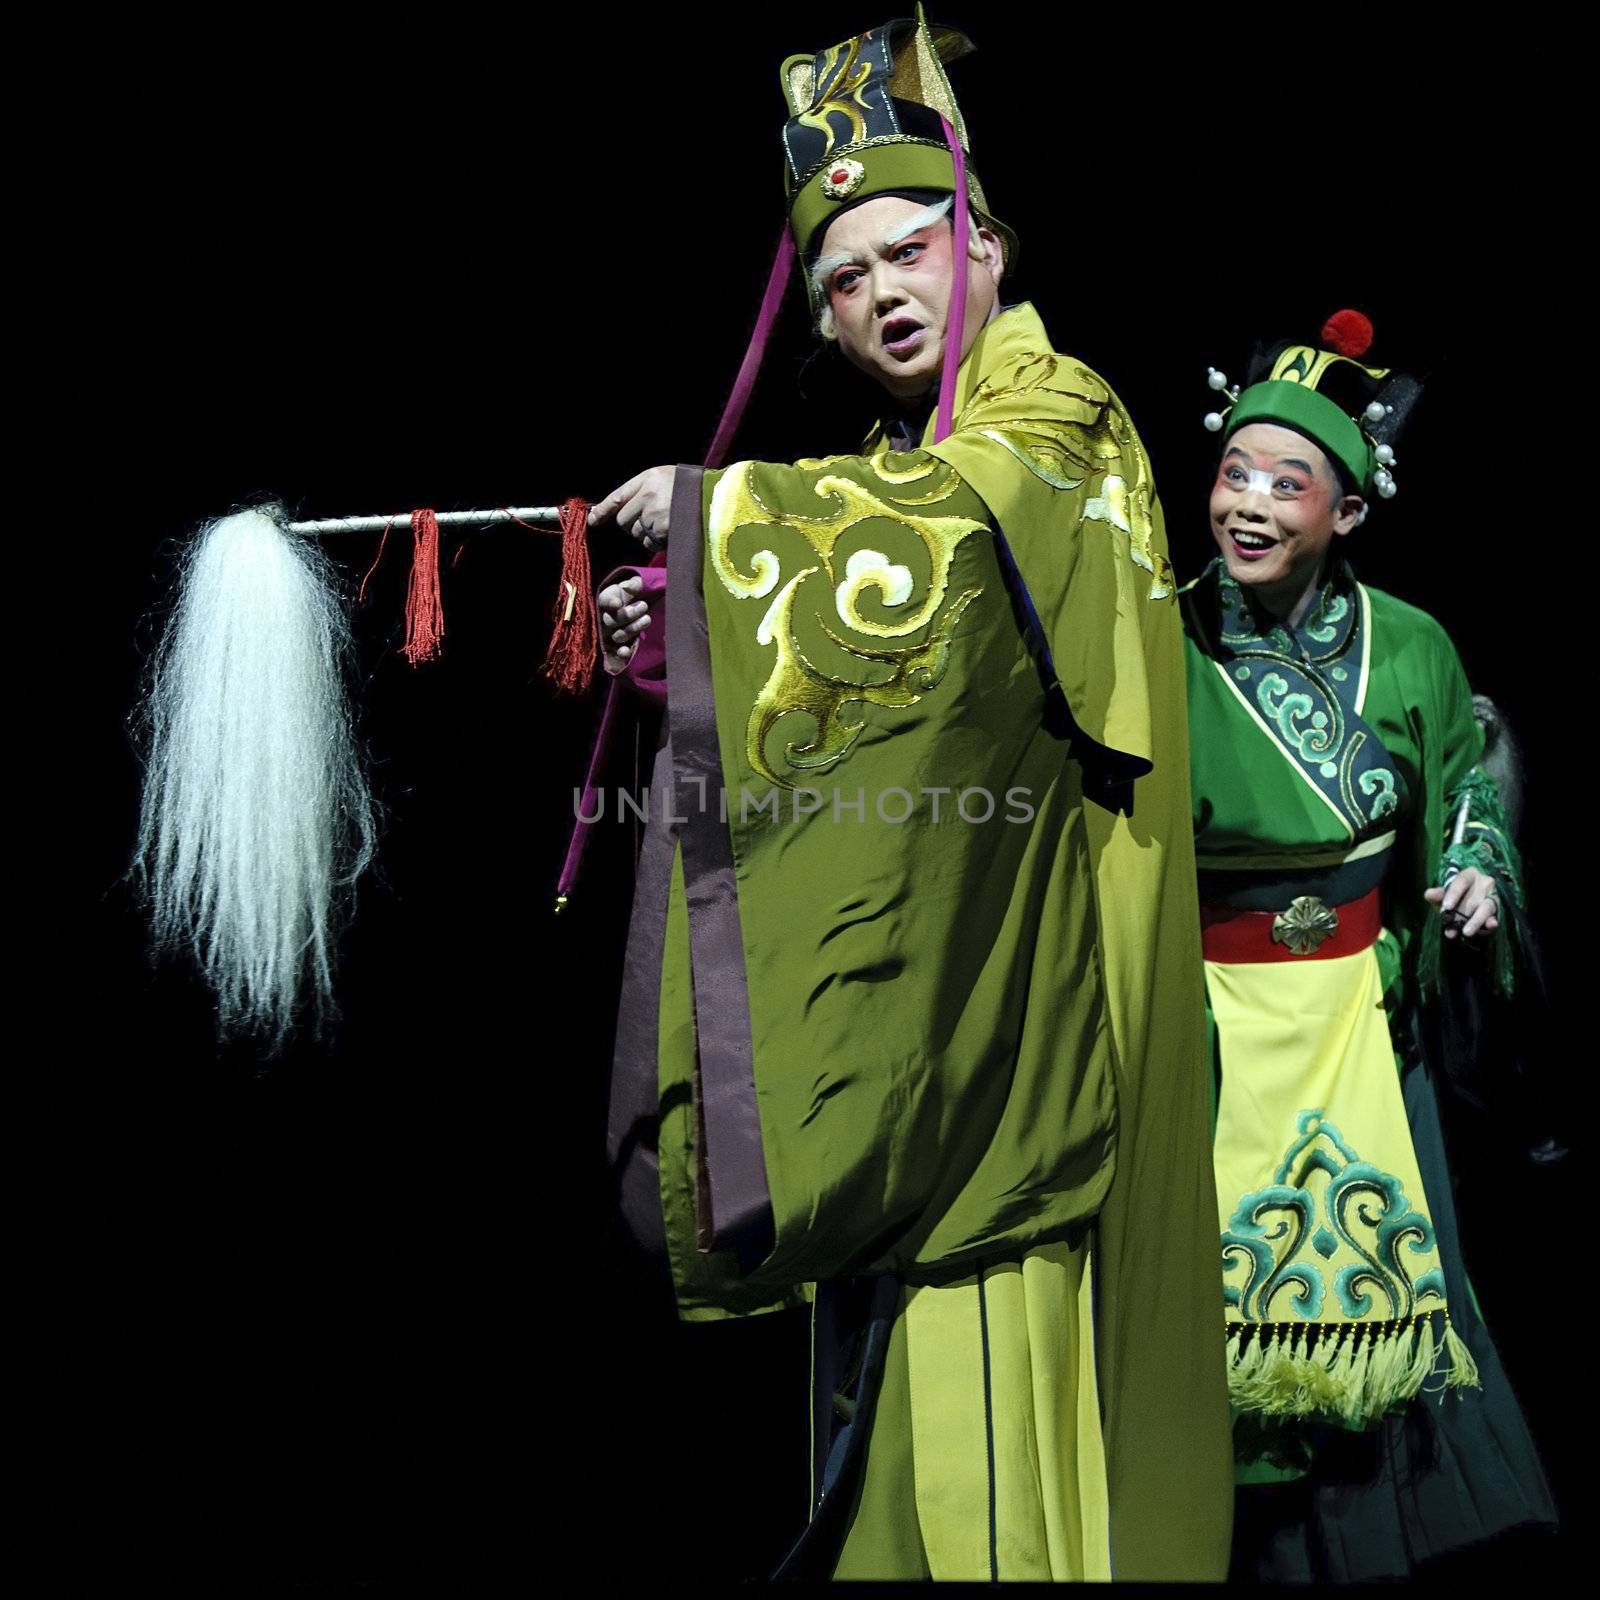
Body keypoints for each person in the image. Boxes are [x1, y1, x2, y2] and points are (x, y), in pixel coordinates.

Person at [584, 10, 1231, 1582]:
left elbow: (951, 528)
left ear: (988, 244)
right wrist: (696, 647)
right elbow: (891, 668)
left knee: (996, 1320)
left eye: (905, 250)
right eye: (841, 278)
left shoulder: (1055, 416)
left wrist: (724, 510)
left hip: (1040, 972)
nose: (877, 293)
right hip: (952, 969)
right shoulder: (900, 451)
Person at [1178, 315, 1558, 1580]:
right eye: (1235, 472)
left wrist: (1473, 873)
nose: (1248, 503)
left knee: (1378, 1303)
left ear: (1346, 514)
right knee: (1221, 1308)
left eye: (1288, 484)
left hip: (1356, 1013)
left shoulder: (1412, 646)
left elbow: (1462, 792)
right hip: (1211, 1019)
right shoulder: (1156, 634)